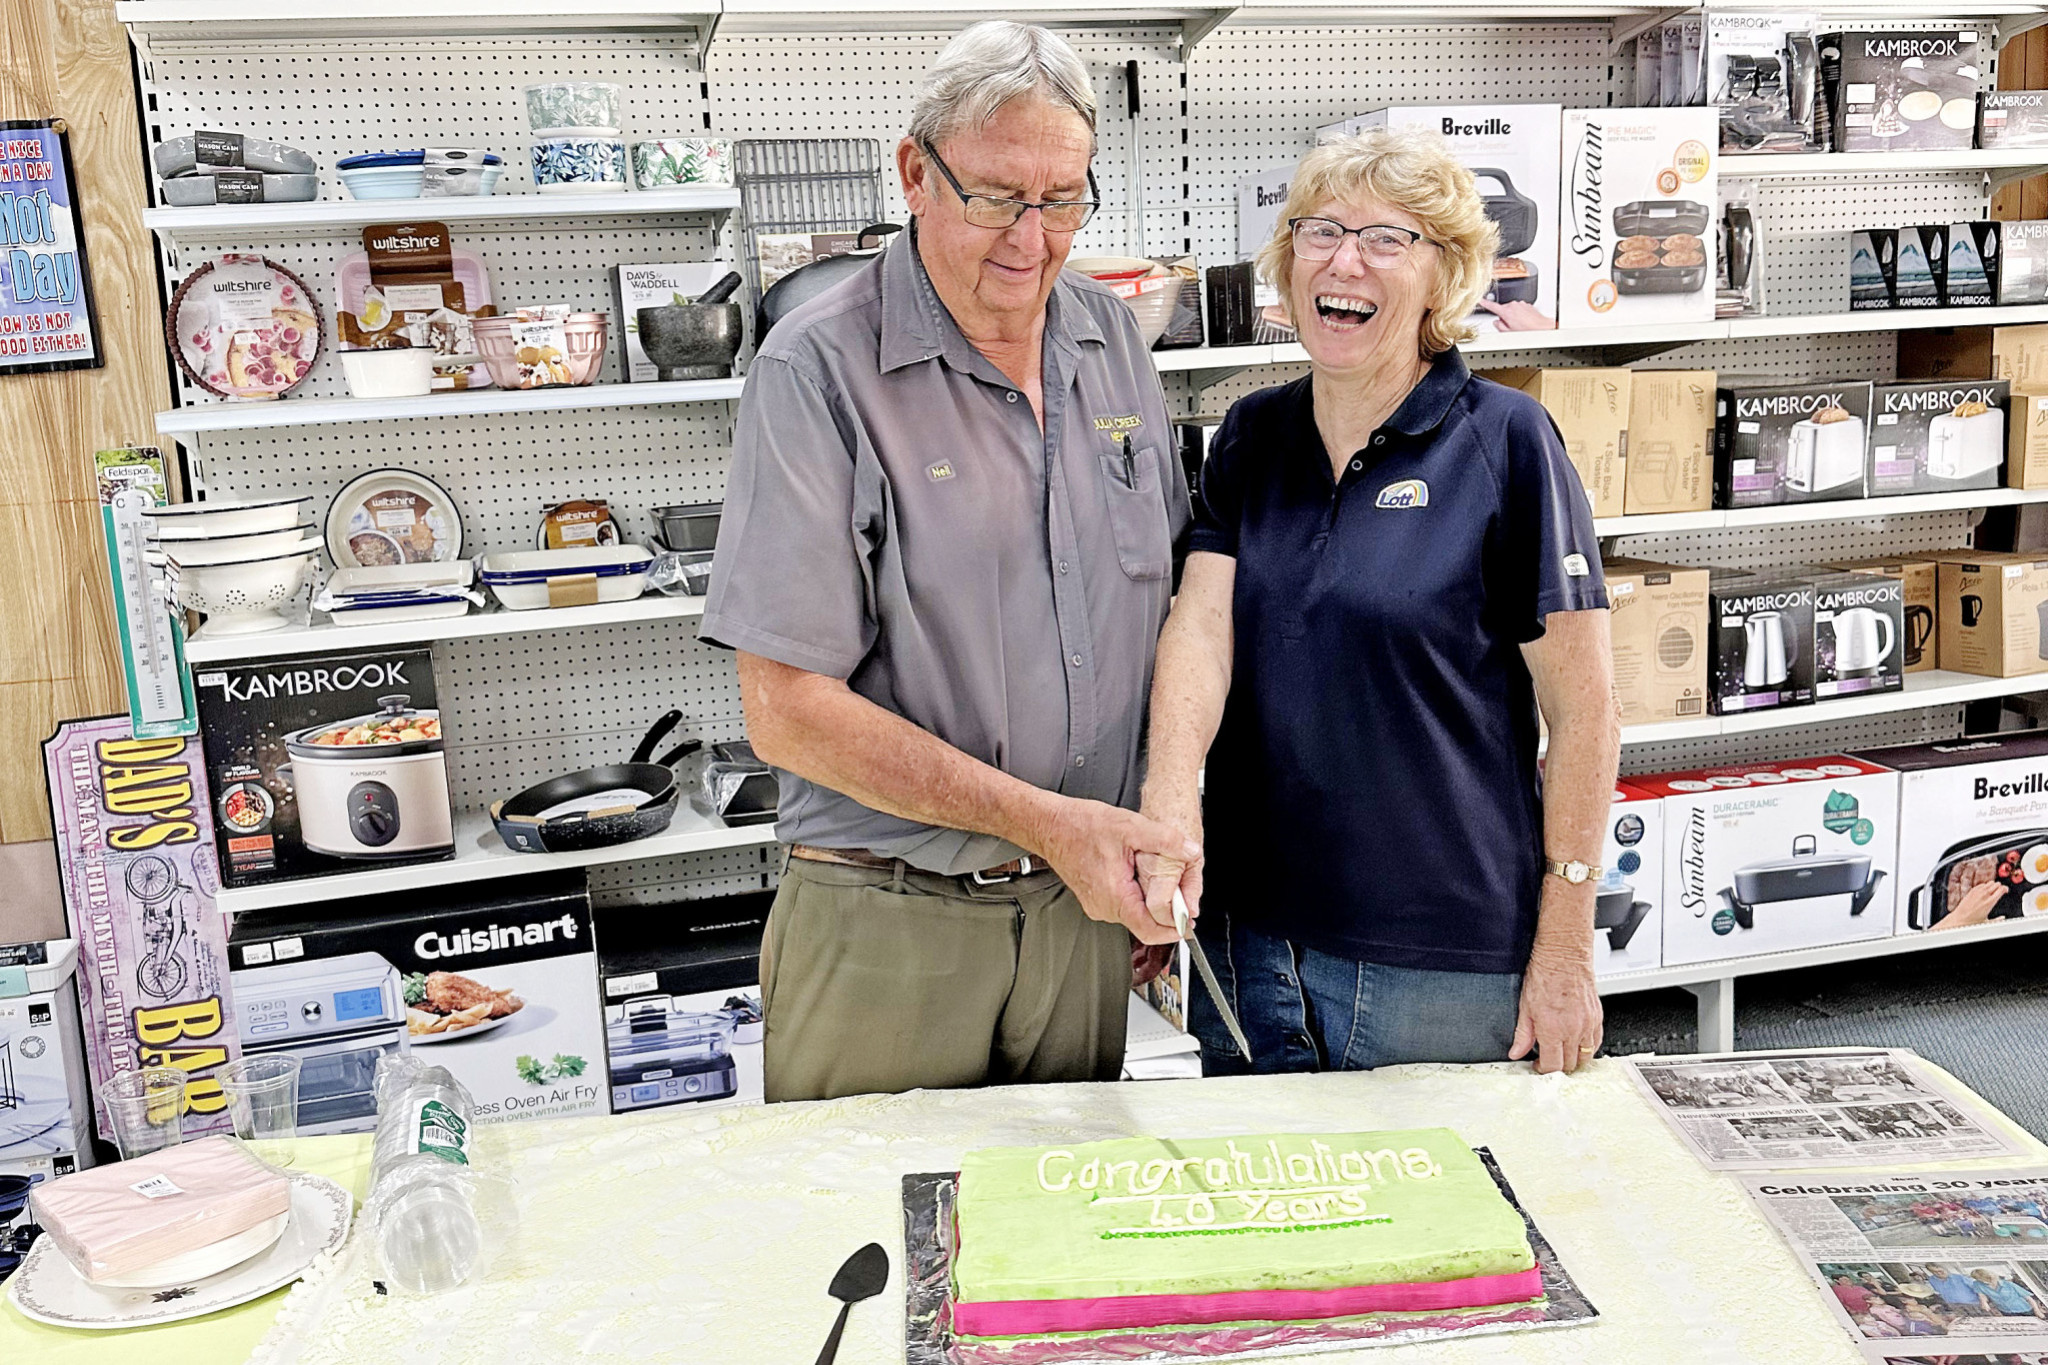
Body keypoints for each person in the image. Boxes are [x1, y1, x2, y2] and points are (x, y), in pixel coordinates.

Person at [703, 21, 1194, 1102]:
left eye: (1061, 198)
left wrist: (1143, 833)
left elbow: (1160, 615)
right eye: (996, 197)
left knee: (1056, 1254)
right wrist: (1058, 828)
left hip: (1079, 923)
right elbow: (784, 710)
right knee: (873, 1254)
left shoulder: (1109, 339)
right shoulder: (817, 368)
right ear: (915, 173)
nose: (1031, 237)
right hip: (889, 927)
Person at [1137, 127, 1617, 1075]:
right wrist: (1167, 812)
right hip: (1249, 940)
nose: (1343, 259)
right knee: (1264, 1209)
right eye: (1319, 231)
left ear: (1443, 278)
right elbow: (1202, 630)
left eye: (1386, 239)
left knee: (1453, 1215)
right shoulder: (1249, 437)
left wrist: (1566, 938)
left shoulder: (1506, 442)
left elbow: (1586, 709)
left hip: (1436, 953)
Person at [1973, 1268, 2045, 1318]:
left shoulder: (2009, 1285)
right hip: (2006, 1311)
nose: (1986, 1283)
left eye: (1988, 1280)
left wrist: (2037, 1311)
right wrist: (1984, 1303)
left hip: (2024, 1310)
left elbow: (2028, 1298)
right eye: (1982, 1281)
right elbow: (1981, 1295)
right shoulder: (1977, 1284)